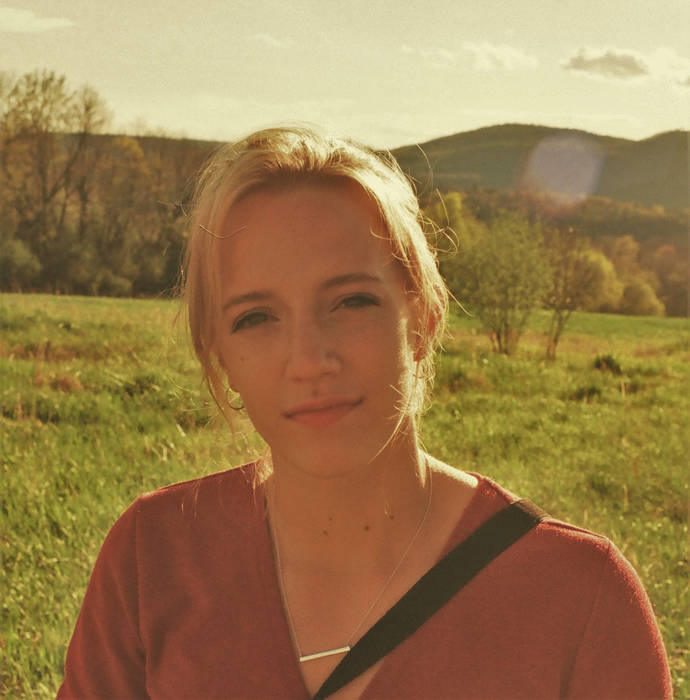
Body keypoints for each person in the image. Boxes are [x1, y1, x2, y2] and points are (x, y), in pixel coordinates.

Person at [58, 126, 671, 699]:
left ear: (422, 317)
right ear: (221, 355)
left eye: (351, 302)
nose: (309, 360)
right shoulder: (153, 558)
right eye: (257, 317)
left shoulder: (580, 596)